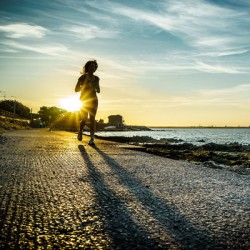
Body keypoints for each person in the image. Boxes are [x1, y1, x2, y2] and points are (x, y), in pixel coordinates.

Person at [75, 60, 100, 145]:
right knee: (84, 119)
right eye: (90, 66)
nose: (92, 68)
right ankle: (80, 131)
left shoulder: (96, 78)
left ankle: (92, 139)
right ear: (87, 67)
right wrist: (85, 86)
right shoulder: (82, 78)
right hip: (84, 101)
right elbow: (76, 89)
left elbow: (99, 90)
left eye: (93, 66)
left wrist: (95, 87)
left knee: (92, 120)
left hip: (94, 101)